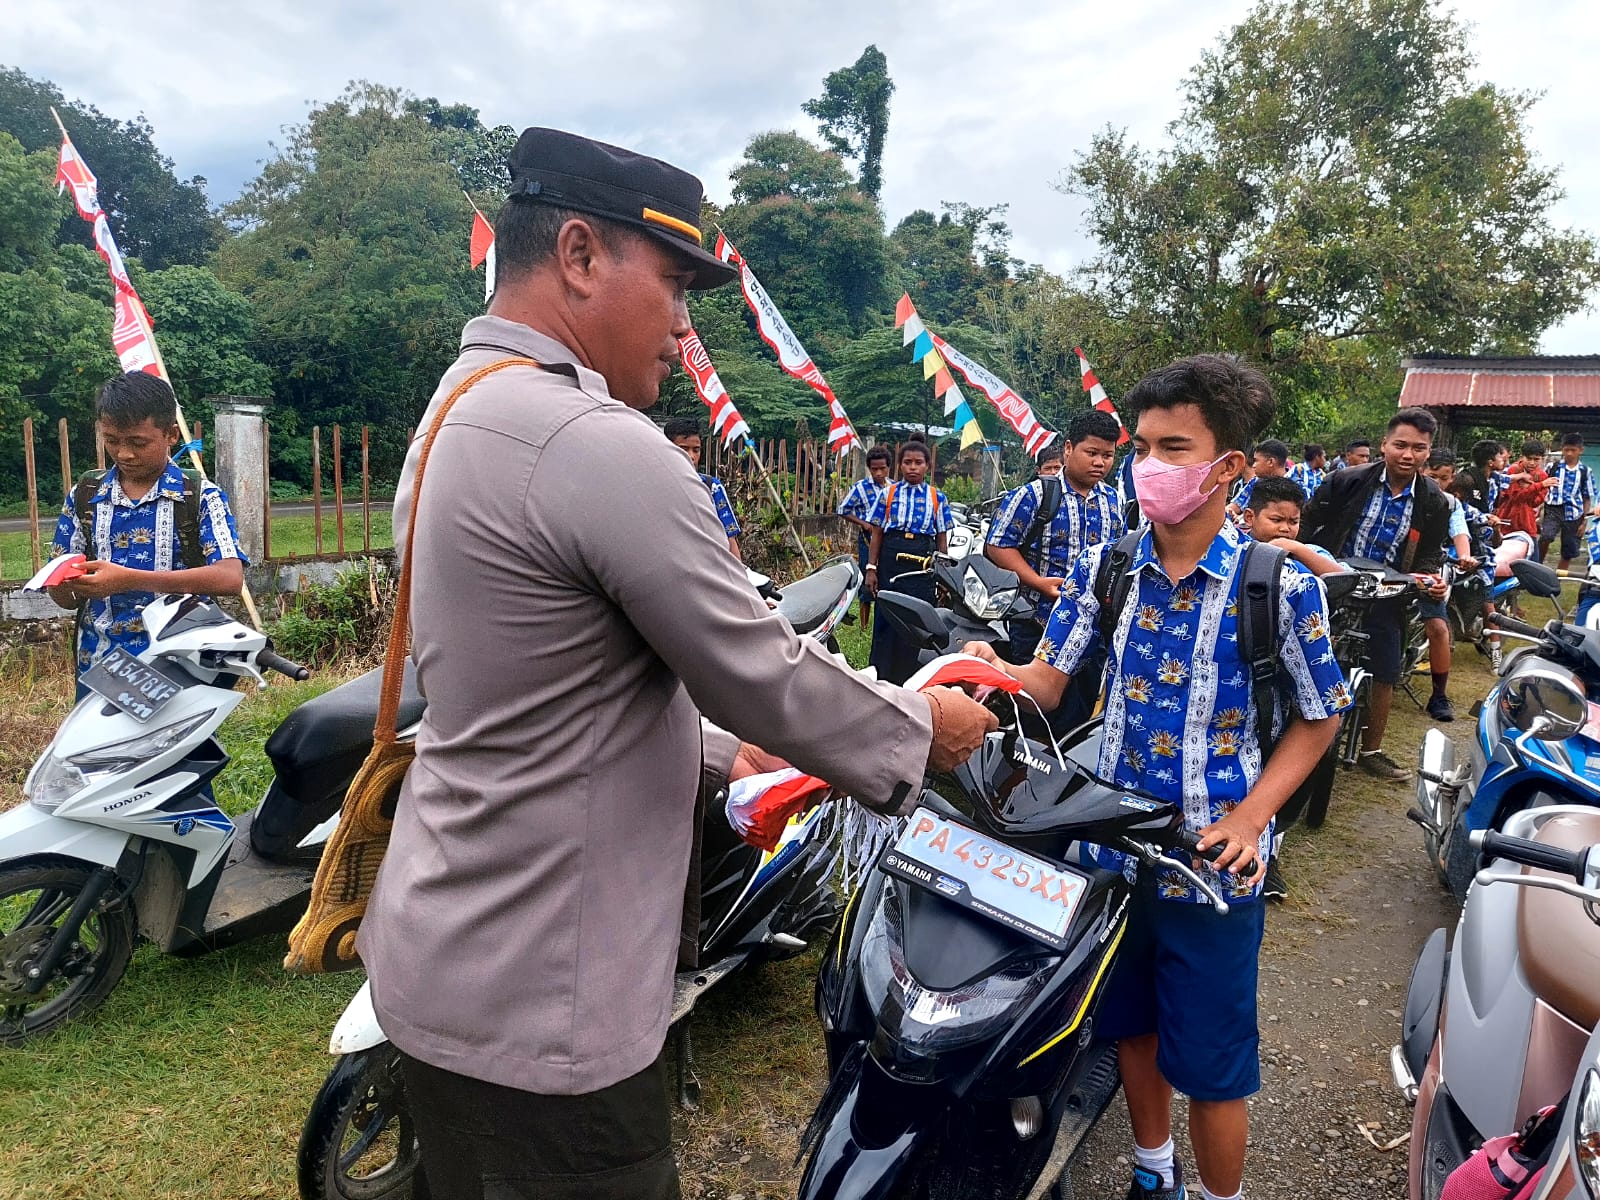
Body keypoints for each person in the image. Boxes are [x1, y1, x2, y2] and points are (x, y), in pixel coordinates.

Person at [365, 127, 997, 1200]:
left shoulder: (456, 411)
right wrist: (920, 730)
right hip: (544, 996)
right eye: (671, 282)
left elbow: (553, 689)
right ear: (577, 253)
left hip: (444, 955)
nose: (684, 325)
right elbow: (758, 665)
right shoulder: (588, 440)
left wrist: (717, 749)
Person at [964, 354, 1348, 1200]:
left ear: (1230, 468)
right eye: (1141, 446)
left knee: (1212, 1065)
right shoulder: (1110, 566)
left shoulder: (1279, 586)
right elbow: (1049, 682)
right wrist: (986, 668)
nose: (1148, 467)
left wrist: (1252, 817)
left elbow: (1323, 712)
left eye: (1173, 448)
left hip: (1213, 872)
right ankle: (1152, 1170)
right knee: (1129, 1028)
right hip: (1112, 856)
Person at [46, 371, 246, 699]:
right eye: (111, 440)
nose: (124, 453)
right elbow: (66, 598)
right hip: (99, 668)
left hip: (179, 672)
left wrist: (129, 580)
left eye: (137, 442)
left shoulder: (199, 497)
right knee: (99, 751)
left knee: (178, 752)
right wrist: (64, 583)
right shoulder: (85, 494)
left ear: (171, 435)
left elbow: (229, 578)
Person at [1301, 408, 1452, 781]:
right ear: (1384, 445)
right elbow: (1308, 522)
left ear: (1427, 453)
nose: (1408, 454)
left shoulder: (1433, 500)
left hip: (1389, 592)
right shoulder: (1346, 480)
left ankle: (1372, 750)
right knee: (1301, 651)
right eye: (1400, 445)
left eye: (1418, 448)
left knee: (1386, 668)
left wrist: (1426, 576)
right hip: (1332, 582)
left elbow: (1433, 550)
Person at [984, 409, 1124, 727]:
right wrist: (1037, 581)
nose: (1100, 462)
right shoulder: (1036, 494)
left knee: (1080, 715)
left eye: (1108, 455)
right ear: (1069, 449)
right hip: (1037, 622)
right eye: (1092, 453)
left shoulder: (1113, 501)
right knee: (1033, 715)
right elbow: (998, 544)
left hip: (1092, 630)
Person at [864, 440, 954, 684]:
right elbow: (877, 533)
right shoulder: (888, 494)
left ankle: (912, 678)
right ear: (900, 466)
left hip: (922, 562)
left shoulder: (938, 498)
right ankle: (880, 677)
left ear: (928, 466)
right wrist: (871, 568)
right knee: (887, 615)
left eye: (918, 462)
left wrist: (944, 575)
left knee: (917, 619)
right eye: (907, 462)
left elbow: (942, 538)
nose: (912, 467)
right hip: (891, 558)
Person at [1414, 452, 1480, 722]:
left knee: (1438, 627)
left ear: (1452, 479)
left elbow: (1459, 531)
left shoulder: (1451, 504)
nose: (1438, 483)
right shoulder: (1404, 495)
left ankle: (1439, 695)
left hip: (1427, 568)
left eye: (1444, 478)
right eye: (1432, 476)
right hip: (1387, 566)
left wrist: (1464, 555)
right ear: (1422, 471)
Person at [663, 416, 741, 559]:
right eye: (683, 449)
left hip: (709, 567)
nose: (691, 456)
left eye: (696, 450)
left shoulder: (711, 487)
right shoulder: (656, 486)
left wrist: (739, 577)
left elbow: (730, 539)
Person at [837, 444, 892, 627]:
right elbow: (843, 509)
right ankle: (863, 625)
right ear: (869, 468)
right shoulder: (860, 488)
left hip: (888, 539)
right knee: (867, 577)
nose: (878, 473)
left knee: (886, 577)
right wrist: (864, 524)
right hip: (868, 539)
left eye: (882, 468)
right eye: (874, 469)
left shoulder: (893, 488)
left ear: (888, 468)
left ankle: (883, 618)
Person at [1539, 433, 1596, 570]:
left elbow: (1587, 497)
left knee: (1569, 549)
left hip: (1575, 512)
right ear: (1562, 449)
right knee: (1546, 536)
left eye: (1573, 450)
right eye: (1566, 450)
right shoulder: (1553, 467)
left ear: (1580, 450)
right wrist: (1539, 509)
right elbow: (1542, 487)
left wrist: (1584, 521)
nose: (1569, 453)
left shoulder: (1585, 471)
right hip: (1553, 508)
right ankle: (1537, 567)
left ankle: (1559, 577)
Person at [1496, 439, 1549, 541]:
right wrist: (1538, 486)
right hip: (1507, 520)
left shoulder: (1543, 476)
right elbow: (1515, 497)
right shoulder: (1513, 470)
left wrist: (1529, 488)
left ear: (1542, 459)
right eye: (1529, 459)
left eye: (1536, 459)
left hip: (1528, 523)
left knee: (1533, 555)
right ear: (1522, 456)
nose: (1532, 463)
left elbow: (1535, 502)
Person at [1226, 437, 1288, 521]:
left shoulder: (1290, 489)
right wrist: (1229, 513)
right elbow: (1234, 506)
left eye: (1256, 461)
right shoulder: (1255, 482)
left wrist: (1241, 519)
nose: (1254, 465)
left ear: (1270, 462)